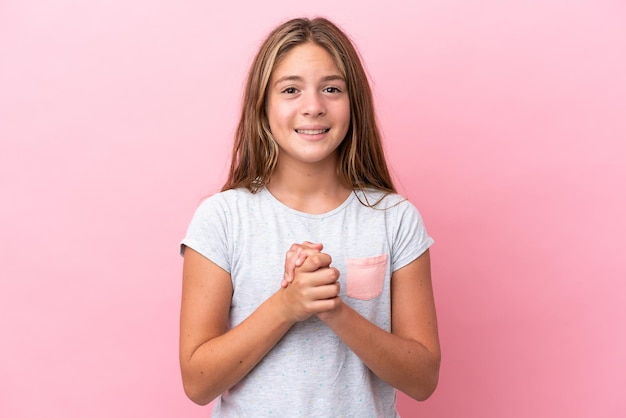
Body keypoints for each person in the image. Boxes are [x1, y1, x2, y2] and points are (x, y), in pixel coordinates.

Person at [179, 16, 440, 417]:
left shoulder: (395, 219)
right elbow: (198, 381)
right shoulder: (222, 218)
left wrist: (334, 310)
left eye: (331, 89)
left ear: (354, 103)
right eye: (291, 90)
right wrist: (286, 307)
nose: (313, 106)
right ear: (263, 105)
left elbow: (422, 379)